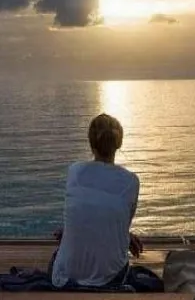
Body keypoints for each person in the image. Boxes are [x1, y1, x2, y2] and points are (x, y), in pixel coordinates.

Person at [50, 112, 144, 289]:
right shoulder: (131, 181)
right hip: (111, 278)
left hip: (65, 278)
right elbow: (122, 223)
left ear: (90, 143)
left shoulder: (75, 172)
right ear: (119, 143)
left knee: (58, 256)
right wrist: (125, 235)